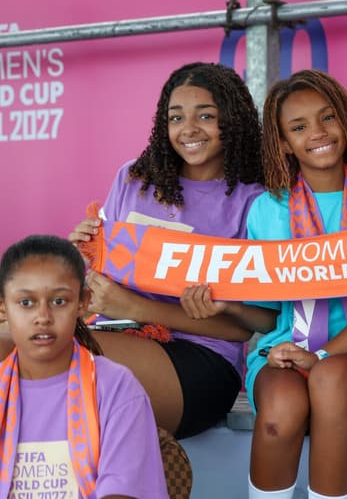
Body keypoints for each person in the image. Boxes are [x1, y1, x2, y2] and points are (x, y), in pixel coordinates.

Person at [67, 62, 267, 439]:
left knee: (51, 355)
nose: (188, 129)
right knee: (14, 341)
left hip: (198, 361)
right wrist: (83, 253)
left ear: (233, 120)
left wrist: (135, 307)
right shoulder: (134, 177)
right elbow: (101, 273)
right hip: (111, 333)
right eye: (176, 117)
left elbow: (244, 329)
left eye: (205, 115)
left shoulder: (254, 201)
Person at [245, 69, 347, 499]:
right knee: (279, 412)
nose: (317, 133)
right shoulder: (266, 210)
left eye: (328, 117)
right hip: (286, 346)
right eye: (299, 127)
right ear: (283, 143)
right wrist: (216, 302)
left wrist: (324, 353)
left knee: (330, 379)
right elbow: (262, 308)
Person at [0, 234, 168, 499]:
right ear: (2, 308)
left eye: (59, 301)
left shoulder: (116, 388)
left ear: (83, 303)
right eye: (26, 303)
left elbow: (122, 492)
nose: (42, 317)